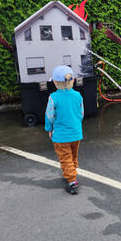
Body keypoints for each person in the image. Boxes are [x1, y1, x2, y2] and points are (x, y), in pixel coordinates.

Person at [45, 65, 84, 194]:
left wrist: (49, 129)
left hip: (61, 136)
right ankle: (70, 172)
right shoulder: (78, 95)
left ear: (55, 82)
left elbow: (49, 116)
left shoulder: (53, 98)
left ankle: (72, 182)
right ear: (72, 81)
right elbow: (81, 114)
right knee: (73, 156)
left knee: (65, 157)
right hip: (76, 133)